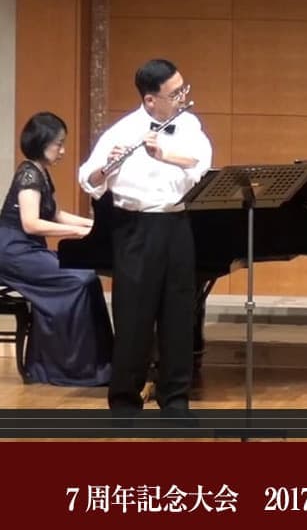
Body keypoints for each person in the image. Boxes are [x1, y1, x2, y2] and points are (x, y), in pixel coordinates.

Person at [78, 59, 212, 418]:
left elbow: (201, 162)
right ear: (151, 100)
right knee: (133, 316)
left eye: (183, 89)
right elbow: (88, 179)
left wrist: (163, 154)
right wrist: (107, 166)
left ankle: (175, 399)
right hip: (134, 229)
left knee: (178, 315)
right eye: (175, 93)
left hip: (177, 224)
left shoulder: (189, 125)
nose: (183, 97)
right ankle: (125, 400)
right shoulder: (122, 131)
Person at [0, 112, 112, 386]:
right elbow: (31, 224)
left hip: (27, 249)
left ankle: (98, 364)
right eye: (58, 144)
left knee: (88, 276)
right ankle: (65, 367)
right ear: (41, 142)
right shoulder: (28, 174)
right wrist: (81, 233)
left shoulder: (40, 172)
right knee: (78, 280)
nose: (62, 150)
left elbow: (56, 215)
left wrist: (95, 225)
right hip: (13, 252)